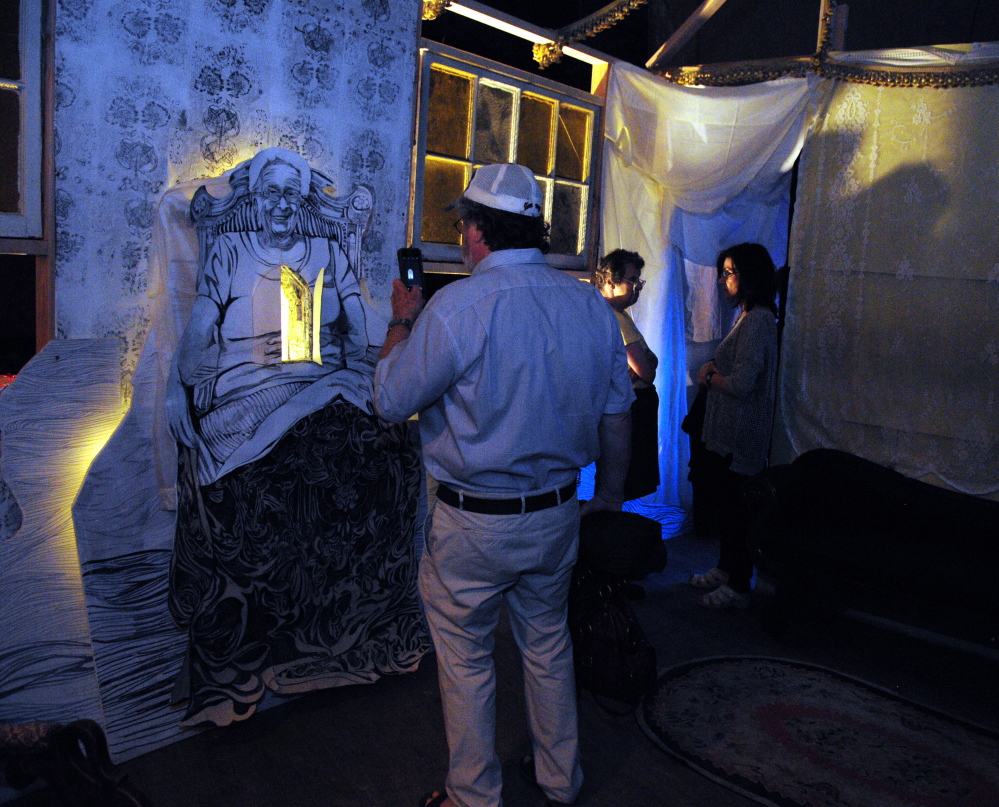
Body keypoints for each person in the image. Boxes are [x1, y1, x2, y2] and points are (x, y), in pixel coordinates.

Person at [373, 163, 634, 807]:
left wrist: (403, 321)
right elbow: (617, 416)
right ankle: (559, 780)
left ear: (479, 230)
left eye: (463, 223)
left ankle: (473, 795)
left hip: (473, 521)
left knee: (466, 658)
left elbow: (389, 399)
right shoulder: (588, 307)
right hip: (556, 513)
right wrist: (608, 498)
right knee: (547, 642)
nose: (461, 236)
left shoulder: (458, 306)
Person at [166, 147, 428, 726]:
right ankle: (262, 649)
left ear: (303, 201)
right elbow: (200, 328)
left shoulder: (328, 250)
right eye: (271, 193)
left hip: (322, 381)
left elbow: (358, 329)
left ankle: (355, 633)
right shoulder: (232, 248)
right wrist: (173, 386)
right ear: (256, 200)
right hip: (245, 388)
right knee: (268, 484)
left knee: (385, 457)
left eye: (293, 193)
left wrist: (376, 362)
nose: (282, 203)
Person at [689, 243, 778, 609]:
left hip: (740, 433)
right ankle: (726, 568)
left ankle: (739, 582)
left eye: (731, 272)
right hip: (726, 431)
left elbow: (742, 382)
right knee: (727, 505)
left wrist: (711, 376)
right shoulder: (748, 315)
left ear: (750, 275)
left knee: (738, 511)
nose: (725, 279)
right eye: (723, 272)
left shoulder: (757, 319)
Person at [594, 249, 660, 501]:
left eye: (638, 280)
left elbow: (648, 362)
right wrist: (648, 363)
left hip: (626, 403)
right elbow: (647, 371)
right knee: (620, 481)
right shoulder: (615, 318)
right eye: (632, 280)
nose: (637, 287)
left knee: (615, 478)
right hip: (632, 405)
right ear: (610, 281)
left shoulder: (611, 314)